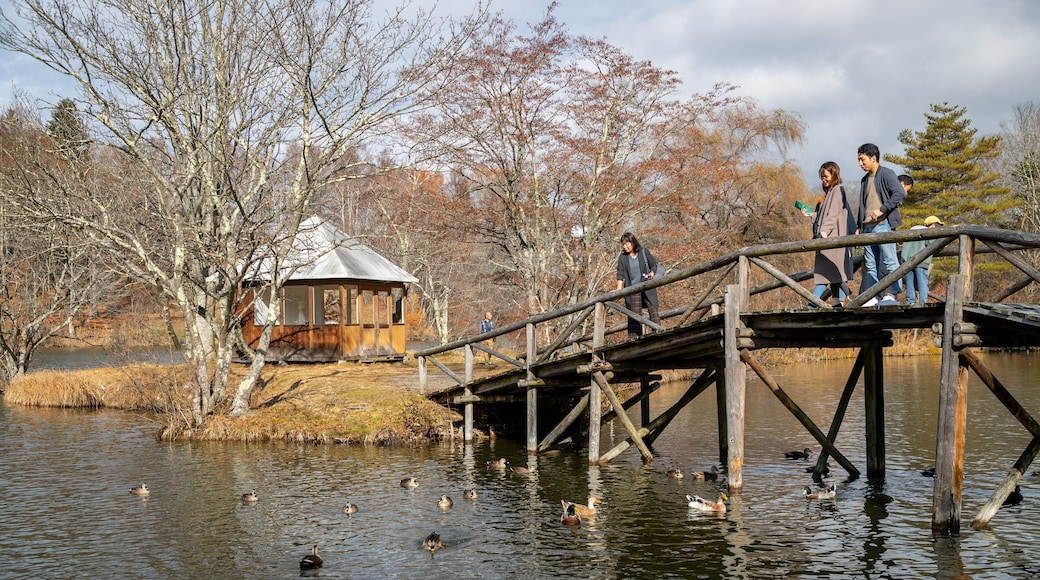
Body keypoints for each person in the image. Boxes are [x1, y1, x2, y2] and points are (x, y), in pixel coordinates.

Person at [856, 143, 906, 306]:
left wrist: (882, 209)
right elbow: (862, 205)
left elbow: (899, 193)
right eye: (859, 160)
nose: (860, 163)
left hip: (883, 224)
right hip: (867, 227)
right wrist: (859, 226)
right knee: (870, 265)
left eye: (862, 159)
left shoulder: (886, 173)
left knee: (890, 261)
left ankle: (893, 294)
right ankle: (873, 296)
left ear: (873, 158)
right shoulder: (864, 180)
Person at [810, 161, 853, 306]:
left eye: (826, 176)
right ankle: (838, 300)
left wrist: (824, 231)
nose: (824, 179)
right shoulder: (829, 192)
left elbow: (833, 214)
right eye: (822, 177)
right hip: (828, 235)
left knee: (828, 273)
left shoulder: (838, 190)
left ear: (834, 175)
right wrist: (811, 215)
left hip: (833, 237)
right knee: (833, 273)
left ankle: (812, 305)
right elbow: (823, 215)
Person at [616, 232, 661, 339]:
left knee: (653, 311)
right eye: (623, 244)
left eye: (627, 244)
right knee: (634, 315)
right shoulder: (623, 257)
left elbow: (653, 265)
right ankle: (635, 339)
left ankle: (659, 333)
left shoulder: (643, 251)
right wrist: (618, 289)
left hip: (647, 286)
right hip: (633, 289)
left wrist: (652, 273)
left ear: (633, 242)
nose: (624, 247)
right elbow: (620, 274)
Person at [901, 215, 944, 306]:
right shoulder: (928, 232)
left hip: (907, 263)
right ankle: (923, 303)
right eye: (937, 226)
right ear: (932, 225)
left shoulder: (911, 231)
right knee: (922, 284)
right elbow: (933, 245)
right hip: (921, 262)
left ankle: (910, 302)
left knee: (910, 284)